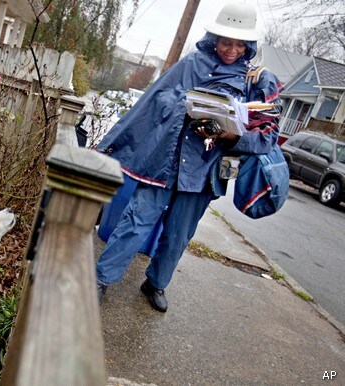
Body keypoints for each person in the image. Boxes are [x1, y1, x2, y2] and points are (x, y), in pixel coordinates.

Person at [95, 2, 282, 312]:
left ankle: (155, 283)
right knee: (135, 222)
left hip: (205, 171)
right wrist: (183, 106)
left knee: (179, 234)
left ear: (248, 45)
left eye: (238, 43)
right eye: (225, 41)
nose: (231, 49)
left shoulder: (257, 81)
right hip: (165, 161)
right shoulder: (191, 64)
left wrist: (232, 135)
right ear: (214, 38)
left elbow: (268, 136)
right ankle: (101, 279)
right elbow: (154, 101)